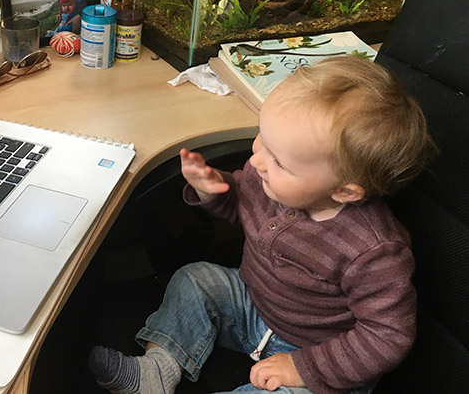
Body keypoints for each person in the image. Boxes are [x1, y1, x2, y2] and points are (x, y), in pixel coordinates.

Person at [88, 56, 436, 394]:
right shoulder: (269, 181)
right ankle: (157, 371)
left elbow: (387, 336)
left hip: (321, 355)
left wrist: (303, 368)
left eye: (278, 161)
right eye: (261, 139)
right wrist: (210, 190)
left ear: (344, 190)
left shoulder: (373, 251)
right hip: (254, 308)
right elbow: (240, 205)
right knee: (195, 278)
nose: (256, 160)